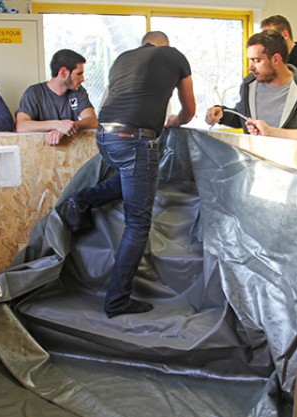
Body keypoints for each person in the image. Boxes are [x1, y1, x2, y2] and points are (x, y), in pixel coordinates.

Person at [57, 31, 195, 318]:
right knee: (138, 224)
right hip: (136, 141)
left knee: (126, 182)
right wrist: (173, 121)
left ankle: (80, 201)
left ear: (145, 43)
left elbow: (114, 97)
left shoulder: (123, 58)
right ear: (164, 45)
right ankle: (117, 300)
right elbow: (189, 110)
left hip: (105, 138)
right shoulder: (174, 56)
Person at [204, 30, 297, 132]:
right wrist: (221, 113)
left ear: (276, 59)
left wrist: (270, 133)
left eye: (256, 60)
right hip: (254, 160)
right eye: (250, 60)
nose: (250, 67)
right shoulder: (249, 84)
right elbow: (242, 117)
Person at [15, 49, 98, 145]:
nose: (82, 79)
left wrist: (70, 126)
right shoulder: (34, 93)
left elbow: (93, 121)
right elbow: (21, 126)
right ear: (63, 73)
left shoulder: (78, 91)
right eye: (79, 74)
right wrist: (56, 125)